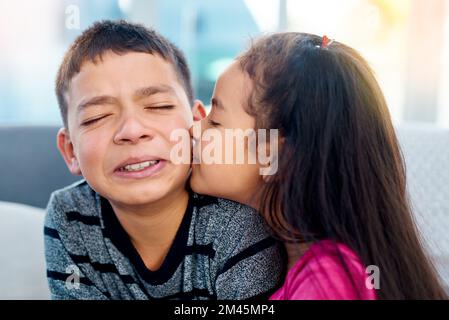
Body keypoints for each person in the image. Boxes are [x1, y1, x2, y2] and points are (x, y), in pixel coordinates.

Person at [190, 33, 448, 299]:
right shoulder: (300, 265)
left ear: (275, 157)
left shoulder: (326, 283)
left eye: (216, 121)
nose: (195, 129)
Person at [44, 20, 284, 300]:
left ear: (196, 124)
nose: (132, 131)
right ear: (71, 151)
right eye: (97, 117)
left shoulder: (239, 225)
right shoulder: (68, 216)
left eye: (159, 106)